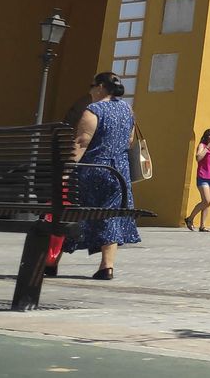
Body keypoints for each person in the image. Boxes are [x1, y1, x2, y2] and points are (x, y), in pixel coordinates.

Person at [61, 72, 140, 280]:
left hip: (94, 169)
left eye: (92, 85)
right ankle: (107, 266)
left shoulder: (93, 110)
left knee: (73, 212)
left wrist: (66, 171)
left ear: (101, 87)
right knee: (111, 214)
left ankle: (51, 261)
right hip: (120, 173)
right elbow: (130, 140)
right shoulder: (127, 109)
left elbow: (80, 142)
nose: (89, 90)